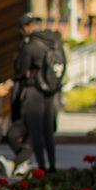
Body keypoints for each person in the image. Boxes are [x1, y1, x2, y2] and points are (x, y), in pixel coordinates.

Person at [13, 16, 64, 173]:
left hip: (34, 91)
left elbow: (21, 70)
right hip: (52, 92)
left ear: (25, 29)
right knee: (49, 131)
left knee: (36, 132)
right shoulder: (55, 42)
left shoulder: (30, 46)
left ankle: (42, 167)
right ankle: (53, 165)